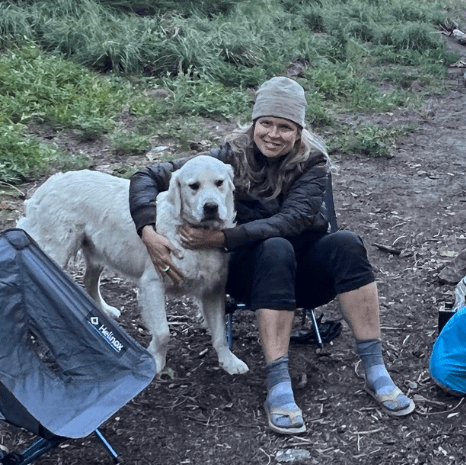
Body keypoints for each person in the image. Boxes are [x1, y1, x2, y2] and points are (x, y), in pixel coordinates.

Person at [128, 76, 415, 434]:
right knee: (274, 250)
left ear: (298, 131)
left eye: (285, 126)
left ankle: (376, 369)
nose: (273, 134)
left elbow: (292, 219)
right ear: (254, 124)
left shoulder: (313, 163)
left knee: (347, 243)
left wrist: (223, 237)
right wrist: (147, 230)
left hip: (305, 275)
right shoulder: (227, 156)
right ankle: (279, 384)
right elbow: (144, 176)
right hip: (253, 276)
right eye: (266, 123)